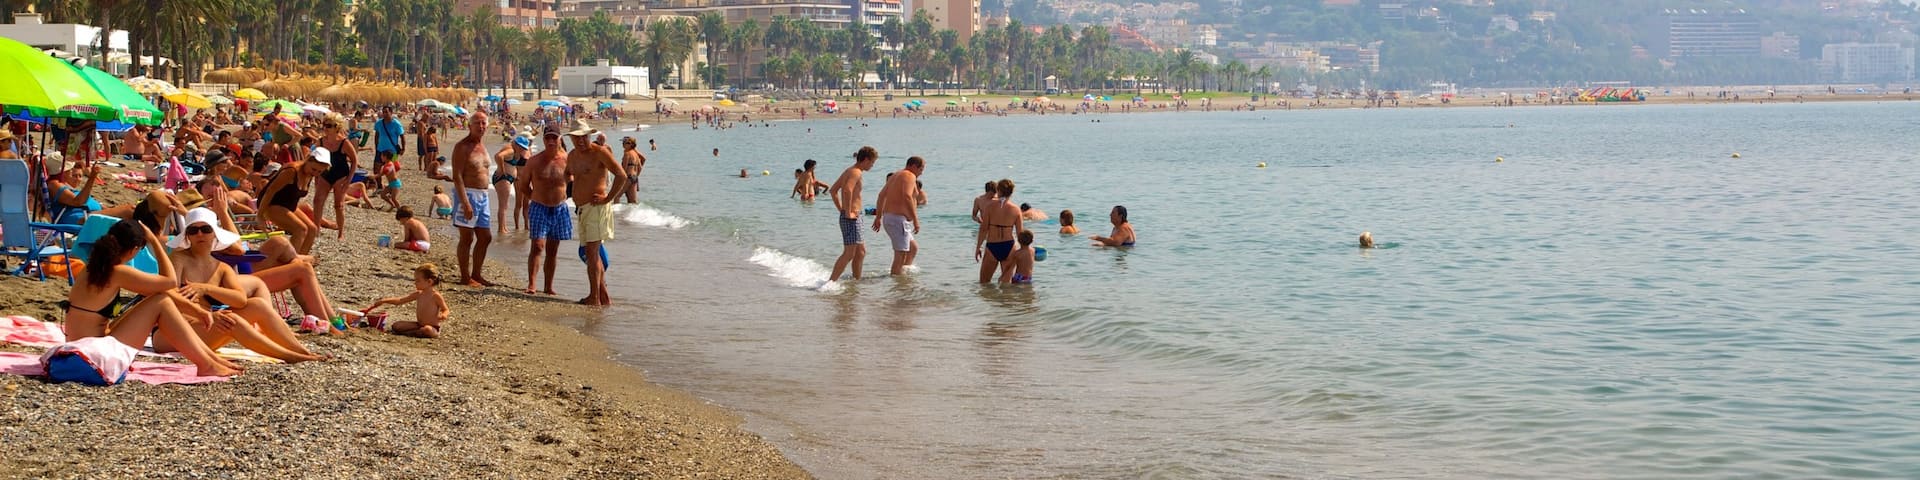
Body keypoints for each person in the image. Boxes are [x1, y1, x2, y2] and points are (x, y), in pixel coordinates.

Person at [62, 220, 242, 377]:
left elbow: (161, 290)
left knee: (159, 298)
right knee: (161, 301)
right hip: (92, 350)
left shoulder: (95, 267)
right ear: (134, 250)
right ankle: (206, 364)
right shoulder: (118, 272)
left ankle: (210, 359)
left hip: (82, 343)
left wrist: (196, 311)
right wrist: (155, 242)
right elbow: (170, 282)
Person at [161, 207, 326, 363]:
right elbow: (168, 292)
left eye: (205, 229)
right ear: (187, 236)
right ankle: (289, 356)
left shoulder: (221, 267)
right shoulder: (179, 258)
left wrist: (206, 288)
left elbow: (240, 299)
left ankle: (302, 351)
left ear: (215, 234)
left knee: (258, 304)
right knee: (232, 319)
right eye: (193, 230)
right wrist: (203, 313)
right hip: (173, 332)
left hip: (206, 327)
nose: (199, 234)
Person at [565, 119, 628, 306]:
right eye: (576, 137)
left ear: (589, 135)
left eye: (584, 137)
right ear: (571, 138)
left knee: (592, 252)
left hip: (597, 208)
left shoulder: (600, 152)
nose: (581, 141)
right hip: (581, 209)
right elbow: (568, 173)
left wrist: (608, 198)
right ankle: (602, 296)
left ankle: (595, 297)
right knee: (590, 253)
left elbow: (621, 175)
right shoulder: (572, 155)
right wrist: (571, 189)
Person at [520, 123, 571, 295]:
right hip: (539, 207)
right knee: (537, 246)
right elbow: (523, 185)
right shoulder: (534, 161)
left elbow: (577, 181)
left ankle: (548, 286)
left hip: (559, 208)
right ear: (543, 139)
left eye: (554, 138)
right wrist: (535, 197)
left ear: (560, 139)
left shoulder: (567, 160)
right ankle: (532, 284)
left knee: (553, 249)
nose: (551, 141)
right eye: (547, 138)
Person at [447, 112, 495, 287]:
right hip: (467, 194)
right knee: (467, 238)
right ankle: (465, 277)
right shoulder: (462, 147)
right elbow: (457, 176)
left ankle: (477, 274)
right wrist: (465, 203)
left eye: (483, 123)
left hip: (483, 196)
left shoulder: (482, 146)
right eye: (477, 123)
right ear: (469, 126)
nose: (481, 126)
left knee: (485, 237)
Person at [260, 145, 328, 254]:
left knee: (312, 229)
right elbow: (269, 191)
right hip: (272, 204)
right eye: (314, 169)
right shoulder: (291, 171)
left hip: (288, 205)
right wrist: (260, 215)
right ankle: (290, 260)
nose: (315, 173)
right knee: (300, 229)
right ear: (308, 160)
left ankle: (300, 258)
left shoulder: (309, 173)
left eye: (320, 172)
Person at [827, 146, 878, 283]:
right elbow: (847, 190)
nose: (872, 165)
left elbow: (833, 191)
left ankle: (856, 281)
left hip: (852, 215)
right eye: (872, 162)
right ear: (866, 159)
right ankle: (830, 283)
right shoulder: (856, 172)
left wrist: (842, 210)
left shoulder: (849, 170)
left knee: (860, 252)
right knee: (849, 253)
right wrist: (848, 212)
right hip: (852, 217)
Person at [362, 264, 450, 338]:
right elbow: (400, 300)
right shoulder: (418, 294)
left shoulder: (435, 296)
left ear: (429, 282)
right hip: (419, 324)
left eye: (418, 280)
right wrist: (384, 301)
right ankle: (416, 332)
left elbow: (446, 309)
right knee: (396, 325)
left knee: (427, 329)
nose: (415, 283)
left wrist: (443, 315)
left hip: (433, 327)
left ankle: (413, 333)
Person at [872, 156, 925, 276]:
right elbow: (907, 196)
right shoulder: (909, 175)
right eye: (921, 169)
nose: (922, 172)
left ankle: (902, 277)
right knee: (900, 255)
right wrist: (915, 220)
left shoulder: (896, 175)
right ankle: (897, 280)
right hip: (897, 220)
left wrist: (878, 217)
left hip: (891, 218)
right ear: (913, 166)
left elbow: (881, 195)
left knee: (912, 248)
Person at [314, 118, 359, 240]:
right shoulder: (321, 142)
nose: (325, 128)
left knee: (338, 205)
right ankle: (316, 229)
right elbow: (315, 159)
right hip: (325, 174)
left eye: (329, 126)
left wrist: (349, 180)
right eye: (324, 125)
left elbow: (354, 161)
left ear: (337, 127)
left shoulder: (344, 142)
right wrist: (316, 176)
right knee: (317, 201)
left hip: (341, 175)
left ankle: (340, 232)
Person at [974, 179, 1023, 283]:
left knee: (984, 282)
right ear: (1011, 192)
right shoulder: (1016, 209)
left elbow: (983, 229)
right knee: (1006, 284)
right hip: (1009, 246)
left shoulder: (990, 207)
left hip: (992, 245)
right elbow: (1020, 233)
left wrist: (978, 247)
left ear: (998, 190)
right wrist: (1025, 250)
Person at [493, 134, 530, 234]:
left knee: (505, 205)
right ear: (517, 144)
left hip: (507, 178)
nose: (522, 150)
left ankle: (504, 228)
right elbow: (498, 156)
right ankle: (501, 229)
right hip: (503, 178)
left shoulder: (514, 150)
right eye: (521, 147)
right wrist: (502, 170)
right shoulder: (511, 150)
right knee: (503, 206)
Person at [373, 106, 405, 183]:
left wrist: (403, 148)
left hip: (392, 151)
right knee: (376, 168)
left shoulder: (396, 124)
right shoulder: (379, 123)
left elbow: (402, 136)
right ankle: (379, 186)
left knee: (392, 169)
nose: (384, 114)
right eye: (383, 112)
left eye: (386, 112)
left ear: (391, 112)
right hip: (380, 150)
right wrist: (376, 146)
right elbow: (377, 135)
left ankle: (392, 185)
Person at [620, 137, 645, 204]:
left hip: (628, 177)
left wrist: (621, 180)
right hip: (634, 178)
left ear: (631, 144)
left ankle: (615, 211)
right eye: (623, 142)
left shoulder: (627, 154)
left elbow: (624, 169)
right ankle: (633, 211)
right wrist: (635, 175)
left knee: (617, 196)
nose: (623, 144)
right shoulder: (635, 154)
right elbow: (640, 167)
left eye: (626, 143)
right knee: (632, 201)